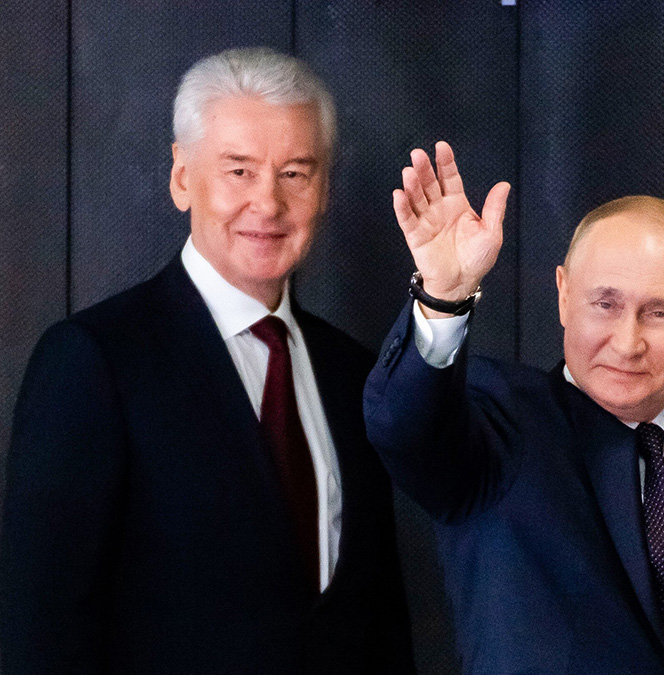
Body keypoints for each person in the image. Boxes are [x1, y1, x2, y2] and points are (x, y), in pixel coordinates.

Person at [0, 48, 413, 674]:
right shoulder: (94, 362)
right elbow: (40, 630)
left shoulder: (353, 373)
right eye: (239, 171)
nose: (268, 204)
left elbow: (377, 624)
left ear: (325, 188)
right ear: (181, 177)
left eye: (294, 174)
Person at [364, 141, 664, 673]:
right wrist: (444, 296)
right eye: (605, 304)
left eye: (660, 313)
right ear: (563, 295)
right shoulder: (495, 423)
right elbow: (403, 427)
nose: (627, 343)